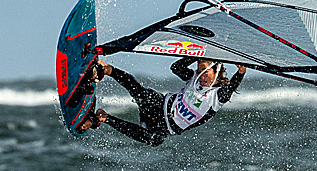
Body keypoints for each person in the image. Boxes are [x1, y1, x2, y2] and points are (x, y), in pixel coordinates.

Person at [79, 57, 246, 146]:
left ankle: (102, 118)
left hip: (165, 127)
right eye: (199, 70)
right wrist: (196, 54)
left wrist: (241, 72)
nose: (201, 75)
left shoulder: (217, 96)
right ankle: (107, 69)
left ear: (216, 71)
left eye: (205, 71)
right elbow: (176, 68)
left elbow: (231, 87)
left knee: (153, 140)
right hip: (160, 104)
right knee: (140, 93)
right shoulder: (193, 78)